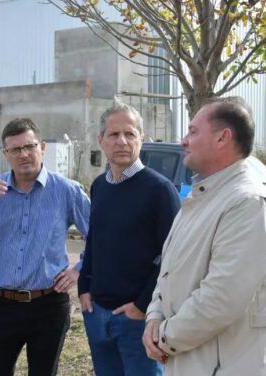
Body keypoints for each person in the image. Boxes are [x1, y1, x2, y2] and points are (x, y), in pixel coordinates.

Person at [142, 96, 266, 375]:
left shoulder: (248, 204)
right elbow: (167, 275)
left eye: (193, 131)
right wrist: (153, 319)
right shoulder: (201, 198)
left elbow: (221, 299)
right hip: (187, 359)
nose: (184, 140)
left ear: (223, 139)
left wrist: (163, 337)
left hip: (224, 366)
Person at [0, 118, 90, 376]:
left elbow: (98, 236)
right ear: (6, 154)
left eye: (29, 146)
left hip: (49, 304)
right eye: (15, 149)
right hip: (2, 304)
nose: (23, 154)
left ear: (42, 147)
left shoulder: (67, 191)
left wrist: (79, 269)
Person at [78, 99, 180, 375]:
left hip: (138, 320)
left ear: (141, 139)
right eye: (113, 134)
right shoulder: (99, 186)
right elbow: (94, 242)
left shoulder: (160, 190)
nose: (122, 141)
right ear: (101, 140)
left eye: (130, 134)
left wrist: (142, 305)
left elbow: (174, 257)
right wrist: (83, 287)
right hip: (97, 314)